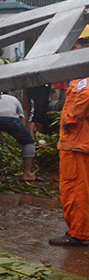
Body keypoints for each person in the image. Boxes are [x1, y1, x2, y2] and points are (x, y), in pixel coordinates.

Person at [49, 29, 89, 247]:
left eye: (75, 46)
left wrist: (71, 118)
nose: (72, 50)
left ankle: (79, 234)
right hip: (77, 143)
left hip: (76, 143)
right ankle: (80, 229)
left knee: (75, 190)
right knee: (78, 189)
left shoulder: (85, 75)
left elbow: (86, 97)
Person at [0, 94, 36, 181]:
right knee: (28, 142)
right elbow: (21, 118)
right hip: (10, 118)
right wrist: (21, 134)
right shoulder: (14, 99)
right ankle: (27, 173)